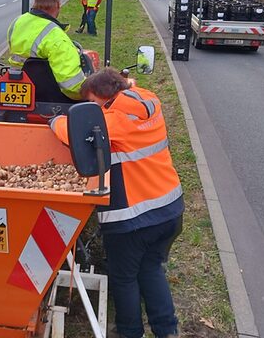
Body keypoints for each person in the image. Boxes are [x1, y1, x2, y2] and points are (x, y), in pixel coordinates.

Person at [49, 68, 183, 338]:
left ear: (104, 98)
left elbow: (74, 132)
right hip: (170, 210)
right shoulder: (148, 100)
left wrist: (54, 121)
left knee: (125, 278)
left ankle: (130, 332)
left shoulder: (115, 122)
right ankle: (166, 330)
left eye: (92, 104)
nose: (92, 110)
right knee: (151, 268)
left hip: (133, 220)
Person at [7, 0, 86, 99]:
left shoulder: (17, 22)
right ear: (58, 4)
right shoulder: (55, 36)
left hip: (18, 84)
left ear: (35, 1)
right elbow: (72, 86)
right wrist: (89, 92)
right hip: (48, 95)